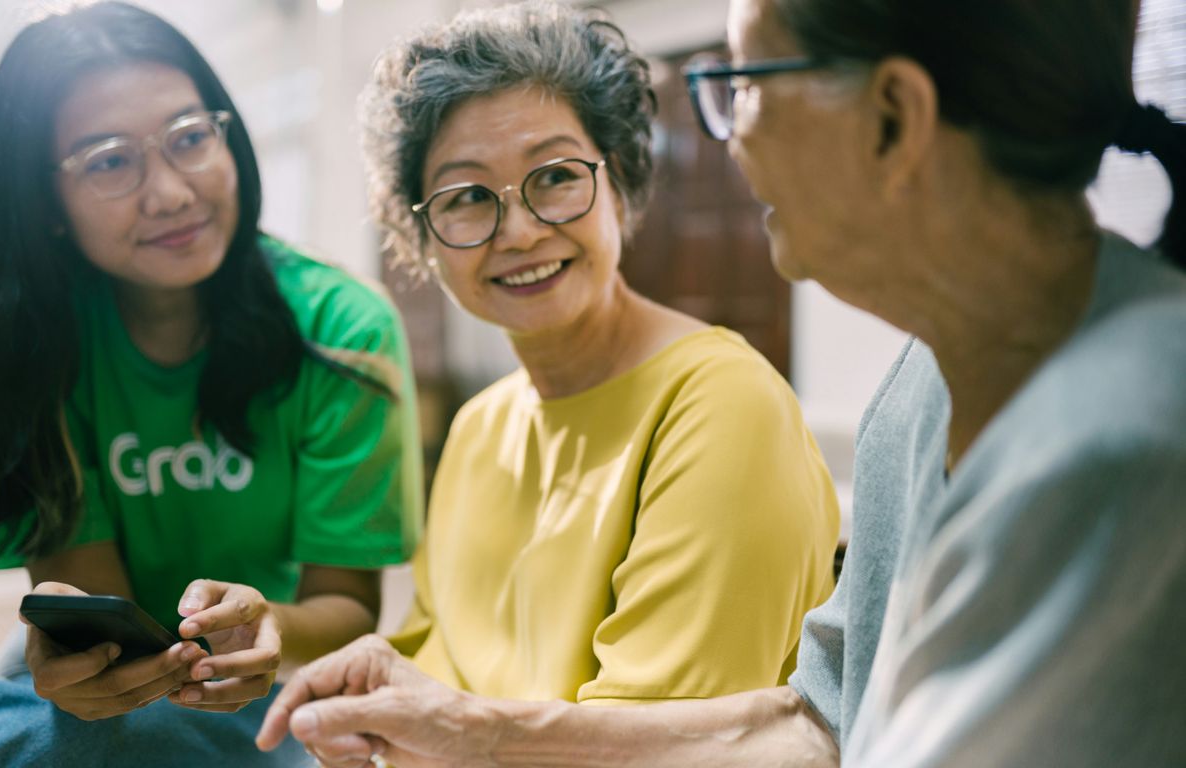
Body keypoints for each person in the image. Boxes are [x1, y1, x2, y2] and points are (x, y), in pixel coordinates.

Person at [256, 0, 1186, 765]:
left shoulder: (1125, 439)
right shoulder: (918, 390)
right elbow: (816, 719)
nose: (730, 137)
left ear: (896, 115)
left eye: (745, 85)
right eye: (468, 199)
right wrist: (461, 724)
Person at [0, 3, 420, 766]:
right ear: (43, 202)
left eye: (189, 139)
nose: (172, 192)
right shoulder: (24, 351)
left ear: (227, 136)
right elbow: (85, 603)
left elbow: (344, 608)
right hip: (105, 671)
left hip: (263, 678)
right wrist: (68, 659)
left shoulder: (342, 329)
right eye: (111, 160)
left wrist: (263, 627)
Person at [344, 0, 840, 728]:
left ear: (619, 181)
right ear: (422, 238)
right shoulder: (479, 427)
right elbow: (426, 665)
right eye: (468, 197)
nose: (517, 232)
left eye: (554, 177)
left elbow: (657, 747)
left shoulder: (720, 404)